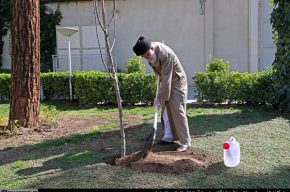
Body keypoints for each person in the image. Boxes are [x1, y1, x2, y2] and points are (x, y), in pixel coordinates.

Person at [133, 36, 191, 152]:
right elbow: (162, 76)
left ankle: (185, 142)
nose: (146, 58)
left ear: (152, 48)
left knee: (177, 108)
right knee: (165, 109)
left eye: (147, 55)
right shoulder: (151, 55)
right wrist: (160, 98)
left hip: (177, 81)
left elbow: (167, 78)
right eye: (144, 57)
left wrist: (159, 98)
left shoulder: (165, 54)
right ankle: (168, 137)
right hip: (165, 80)